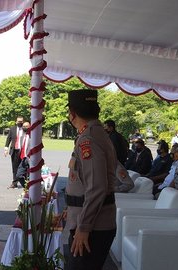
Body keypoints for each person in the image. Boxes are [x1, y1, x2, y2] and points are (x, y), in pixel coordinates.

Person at [65, 89, 117, 270]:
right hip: (90, 222)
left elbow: (96, 187)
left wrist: (84, 227)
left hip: (93, 227)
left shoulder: (89, 139)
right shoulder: (95, 133)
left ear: (72, 114)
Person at [4, 116, 25, 189]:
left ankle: (25, 183)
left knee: (23, 167)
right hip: (14, 150)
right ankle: (14, 183)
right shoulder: (12, 129)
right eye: (19, 121)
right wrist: (6, 148)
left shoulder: (25, 129)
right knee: (14, 167)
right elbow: (8, 139)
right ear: (16, 122)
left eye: (21, 121)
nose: (20, 123)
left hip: (22, 151)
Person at [14, 122, 31, 188]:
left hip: (30, 158)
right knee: (18, 175)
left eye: (26, 126)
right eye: (23, 126)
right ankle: (27, 188)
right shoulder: (22, 136)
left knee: (31, 177)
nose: (24, 127)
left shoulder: (33, 136)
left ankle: (31, 190)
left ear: (30, 127)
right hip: (23, 158)